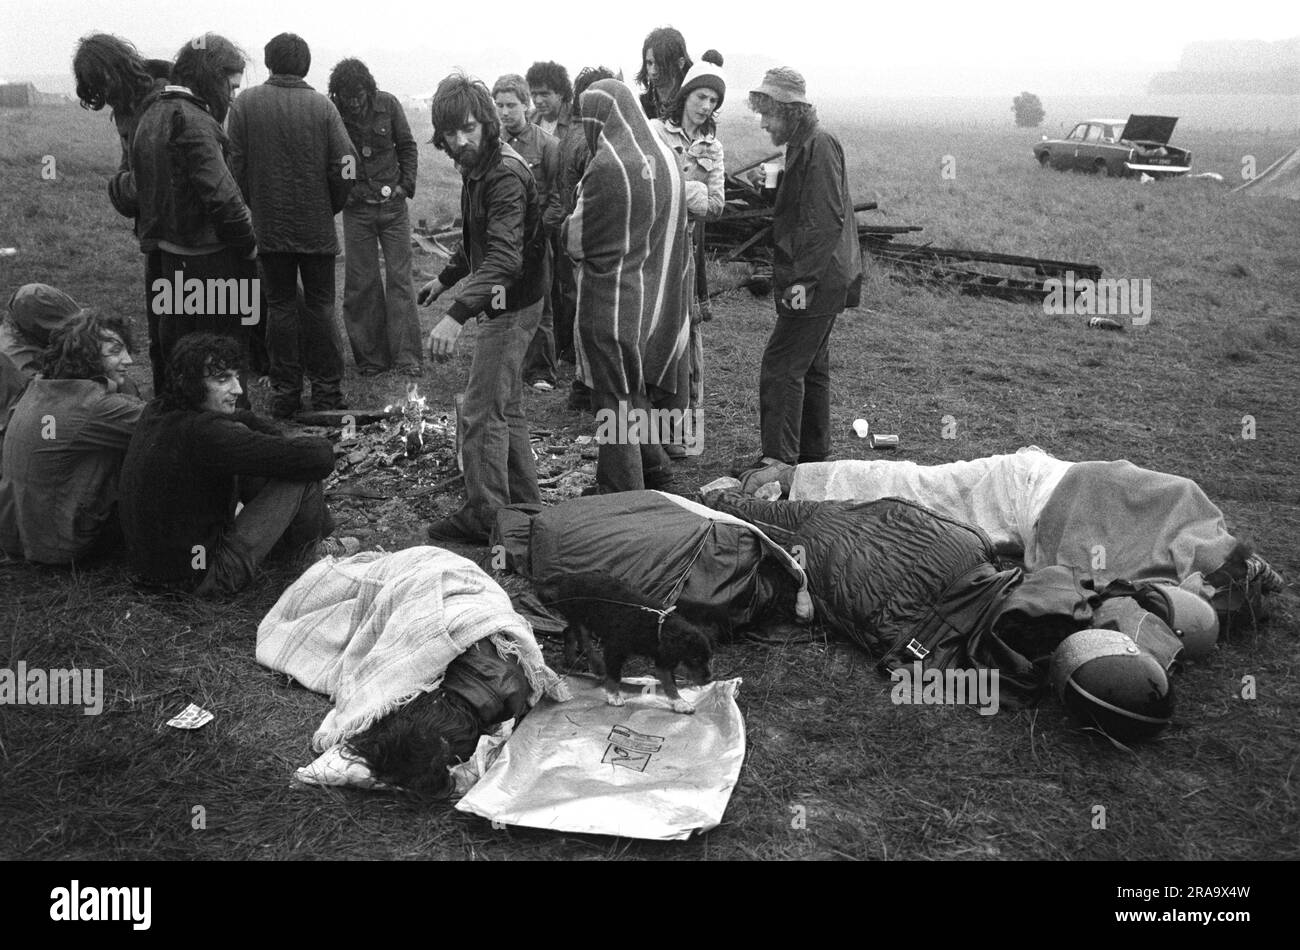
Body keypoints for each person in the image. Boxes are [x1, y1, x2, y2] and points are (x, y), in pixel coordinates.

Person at [118, 333, 354, 596]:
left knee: (271, 459)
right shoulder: (207, 434)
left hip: (153, 570)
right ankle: (308, 555)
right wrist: (287, 443)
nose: (238, 389)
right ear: (190, 383)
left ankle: (308, 545)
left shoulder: (158, 409)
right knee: (302, 472)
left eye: (235, 376)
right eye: (222, 380)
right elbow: (319, 458)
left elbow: (241, 417)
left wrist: (269, 435)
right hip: (202, 578)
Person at [417, 72, 548, 544]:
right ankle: (526, 507)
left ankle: (488, 519)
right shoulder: (478, 167)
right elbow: (479, 239)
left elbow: (504, 258)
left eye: (469, 128)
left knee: (479, 411)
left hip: (511, 302)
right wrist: (445, 278)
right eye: (450, 133)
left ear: (488, 124)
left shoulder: (505, 174)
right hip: (509, 296)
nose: (460, 140)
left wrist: (456, 315)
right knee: (504, 404)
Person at [562, 79, 691, 493]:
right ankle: (657, 469)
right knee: (632, 389)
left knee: (612, 399)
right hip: (656, 298)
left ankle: (623, 492)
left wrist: (564, 226)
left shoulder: (607, 167)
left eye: (589, 121)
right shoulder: (665, 156)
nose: (588, 130)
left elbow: (577, 241)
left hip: (612, 300)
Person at [227, 33, 355, 418]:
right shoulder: (323, 107)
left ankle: (286, 394)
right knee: (320, 309)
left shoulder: (246, 104)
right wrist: (330, 204)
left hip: (270, 229)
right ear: (306, 65)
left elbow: (234, 163)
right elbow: (347, 164)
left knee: (279, 308)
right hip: (316, 229)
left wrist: (256, 202)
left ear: (268, 62)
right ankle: (328, 393)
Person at [744, 67, 862, 473]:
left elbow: (824, 221)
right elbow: (800, 209)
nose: (763, 123)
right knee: (811, 365)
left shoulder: (820, 144)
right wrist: (771, 188)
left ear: (790, 110)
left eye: (769, 114)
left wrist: (802, 281)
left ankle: (778, 459)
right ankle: (812, 457)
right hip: (822, 276)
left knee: (781, 363)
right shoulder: (801, 143)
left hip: (818, 277)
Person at [131, 32, 257, 403]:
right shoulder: (195, 122)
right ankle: (232, 436)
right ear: (212, 78)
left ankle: (178, 433)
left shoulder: (150, 114)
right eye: (230, 86)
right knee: (225, 354)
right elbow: (223, 199)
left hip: (166, 260)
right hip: (211, 263)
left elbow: (133, 188)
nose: (232, 97)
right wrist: (249, 245)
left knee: (175, 354)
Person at [0, 313, 144, 564]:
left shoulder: (41, 384)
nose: (128, 360)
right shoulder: (93, 405)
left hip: (19, 537)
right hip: (63, 545)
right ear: (87, 356)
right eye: (115, 351)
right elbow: (167, 427)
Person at [73, 33, 172, 395]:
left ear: (119, 69)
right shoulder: (126, 109)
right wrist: (122, 186)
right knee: (161, 330)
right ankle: (164, 410)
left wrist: (128, 184)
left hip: (185, 237)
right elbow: (132, 179)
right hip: (153, 235)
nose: (107, 98)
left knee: (184, 330)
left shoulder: (163, 100)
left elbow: (157, 179)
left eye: (106, 86)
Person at [328, 58, 423, 378]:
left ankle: (407, 357)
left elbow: (408, 147)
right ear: (337, 94)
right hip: (357, 210)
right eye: (346, 97)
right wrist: (345, 193)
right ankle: (371, 359)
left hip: (393, 208)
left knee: (400, 280)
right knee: (361, 282)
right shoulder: (332, 112)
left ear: (368, 90)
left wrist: (404, 187)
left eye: (358, 96)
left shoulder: (390, 104)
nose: (353, 103)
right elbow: (328, 159)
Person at [652, 52, 726, 458]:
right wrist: (682, 191)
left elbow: (715, 205)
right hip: (650, 249)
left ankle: (680, 431)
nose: (706, 106)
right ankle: (646, 430)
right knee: (653, 334)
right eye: (700, 96)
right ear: (684, 95)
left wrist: (679, 188)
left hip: (684, 253)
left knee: (685, 336)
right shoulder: (655, 133)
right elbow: (644, 185)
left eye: (713, 101)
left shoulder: (711, 149)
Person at [494, 73, 563, 392]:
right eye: (499, 105)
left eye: (511, 104)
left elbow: (559, 199)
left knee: (540, 305)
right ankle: (499, 363)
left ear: (526, 104)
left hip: (536, 240)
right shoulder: (492, 146)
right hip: (501, 241)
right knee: (497, 301)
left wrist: (537, 237)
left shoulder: (548, 145)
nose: (505, 112)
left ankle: (540, 372)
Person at [635, 27, 691, 120]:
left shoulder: (693, 103)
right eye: (649, 63)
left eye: (660, 64)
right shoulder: (641, 105)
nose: (653, 71)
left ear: (680, 63)